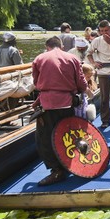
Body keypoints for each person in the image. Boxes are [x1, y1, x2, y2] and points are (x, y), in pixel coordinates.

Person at [32, 37, 88, 186]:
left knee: (45, 139)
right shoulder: (73, 58)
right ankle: (69, 163)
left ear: (47, 46)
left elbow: (36, 84)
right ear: (61, 46)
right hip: (67, 103)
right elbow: (81, 83)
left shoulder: (39, 58)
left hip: (48, 104)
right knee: (67, 134)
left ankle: (57, 170)